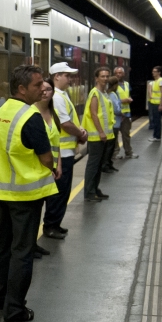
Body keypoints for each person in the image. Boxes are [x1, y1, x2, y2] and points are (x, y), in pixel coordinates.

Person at [0, 65, 58, 322]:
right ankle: (14, 308)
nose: (43, 89)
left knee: (3, 246)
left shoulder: (1, 112)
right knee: (22, 250)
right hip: (26, 195)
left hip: (2, 191)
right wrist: (54, 167)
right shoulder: (31, 117)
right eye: (38, 85)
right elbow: (46, 157)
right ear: (22, 88)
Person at [43, 63, 87, 240]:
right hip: (61, 153)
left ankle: (56, 224)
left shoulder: (62, 95)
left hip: (67, 152)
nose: (70, 79)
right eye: (67, 75)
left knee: (63, 192)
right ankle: (51, 225)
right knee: (59, 192)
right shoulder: (58, 97)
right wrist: (81, 134)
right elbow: (65, 123)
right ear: (56, 77)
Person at [32, 78, 62, 259]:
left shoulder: (53, 113)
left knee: (41, 208)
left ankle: (34, 243)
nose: (45, 92)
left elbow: (58, 143)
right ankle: (31, 245)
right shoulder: (32, 114)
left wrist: (59, 165)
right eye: (41, 89)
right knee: (34, 211)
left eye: (49, 89)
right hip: (38, 170)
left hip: (50, 169)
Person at [81, 67, 113, 203]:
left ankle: (95, 189)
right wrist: (100, 131)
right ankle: (89, 192)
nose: (105, 78)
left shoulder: (104, 93)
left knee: (99, 164)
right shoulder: (95, 93)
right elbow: (94, 113)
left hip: (104, 136)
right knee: (93, 165)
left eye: (107, 76)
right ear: (96, 78)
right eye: (102, 76)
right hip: (96, 137)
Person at [113, 66, 138, 159]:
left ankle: (129, 152)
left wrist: (129, 99)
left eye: (120, 73)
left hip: (126, 113)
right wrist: (123, 100)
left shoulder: (127, 84)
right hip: (116, 115)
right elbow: (111, 100)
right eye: (116, 73)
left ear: (123, 74)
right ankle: (115, 153)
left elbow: (128, 94)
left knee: (126, 134)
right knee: (115, 136)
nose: (118, 75)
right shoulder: (112, 86)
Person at [102, 77, 122, 174]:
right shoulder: (113, 94)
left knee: (110, 146)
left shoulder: (107, 94)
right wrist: (121, 110)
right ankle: (106, 165)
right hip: (115, 123)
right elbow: (116, 109)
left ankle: (109, 164)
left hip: (112, 123)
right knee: (110, 146)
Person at [148, 66, 162, 142]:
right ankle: (155, 136)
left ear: (159, 72)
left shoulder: (161, 80)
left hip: (157, 104)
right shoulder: (155, 81)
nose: (153, 73)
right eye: (153, 71)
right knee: (155, 120)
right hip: (153, 103)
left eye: (155, 71)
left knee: (157, 121)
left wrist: (161, 104)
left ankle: (157, 137)